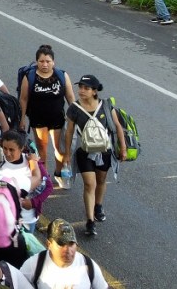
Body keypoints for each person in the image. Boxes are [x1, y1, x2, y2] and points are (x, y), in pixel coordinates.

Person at [62, 75, 126, 237]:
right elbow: (69, 132)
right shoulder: (74, 108)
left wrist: (123, 148)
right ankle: (90, 221)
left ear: (95, 91)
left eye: (86, 88)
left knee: (101, 181)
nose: (81, 91)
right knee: (90, 184)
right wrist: (67, 153)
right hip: (84, 152)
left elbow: (117, 127)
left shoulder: (105, 105)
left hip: (104, 151)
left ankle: (98, 205)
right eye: (80, 87)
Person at [17, 45, 75, 186]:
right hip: (38, 119)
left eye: (48, 61)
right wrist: (22, 118)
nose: (45, 64)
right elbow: (23, 99)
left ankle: (59, 172)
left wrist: (75, 117)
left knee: (60, 149)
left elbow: (70, 98)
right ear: (37, 61)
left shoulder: (62, 75)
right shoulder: (29, 77)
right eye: (41, 61)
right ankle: (44, 177)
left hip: (57, 119)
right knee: (42, 149)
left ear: (53, 62)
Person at [18, 219, 108, 289]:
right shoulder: (34, 265)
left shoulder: (90, 265)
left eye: (71, 244)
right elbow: (17, 283)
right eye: (61, 244)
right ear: (49, 244)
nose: (67, 250)